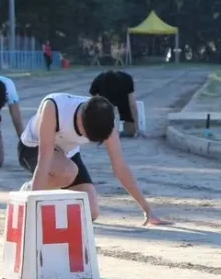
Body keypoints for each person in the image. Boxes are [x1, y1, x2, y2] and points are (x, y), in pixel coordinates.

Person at [16, 93, 168, 225]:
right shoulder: (53, 107)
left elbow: (120, 167)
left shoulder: (105, 121)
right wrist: (32, 210)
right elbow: (44, 160)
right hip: (33, 148)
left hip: (67, 154)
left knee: (90, 211)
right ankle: (28, 191)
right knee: (68, 171)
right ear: (81, 120)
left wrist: (147, 210)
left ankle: (47, 202)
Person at [89, 70, 141, 138]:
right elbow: (94, 103)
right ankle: (107, 130)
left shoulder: (126, 79)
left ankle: (127, 130)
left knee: (130, 129)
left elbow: (132, 104)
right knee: (102, 112)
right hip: (107, 97)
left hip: (121, 96)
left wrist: (136, 127)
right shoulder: (98, 81)